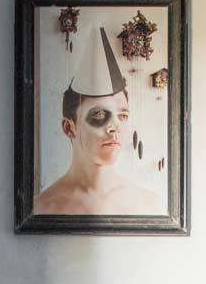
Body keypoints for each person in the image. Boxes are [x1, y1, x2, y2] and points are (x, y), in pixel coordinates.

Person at [33, 27, 163, 216]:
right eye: (100, 115)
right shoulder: (41, 207)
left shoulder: (150, 205)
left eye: (123, 115)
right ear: (69, 128)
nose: (114, 127)